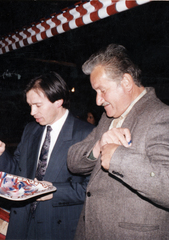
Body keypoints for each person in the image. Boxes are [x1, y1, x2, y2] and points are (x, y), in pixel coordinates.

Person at [67, 44, 169, 239]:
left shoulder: (162, 116)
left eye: (102, 90)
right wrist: (97, 147)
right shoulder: (108, 118)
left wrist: (117, 158)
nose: (98, 101)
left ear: (126, 82)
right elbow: (73, 162)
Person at [0, 72, 94, 240]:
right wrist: (1, 155)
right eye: (30, 105)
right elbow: (18, 172)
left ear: (58, 102)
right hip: (22, 222)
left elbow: (91, 189)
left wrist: (54, 191)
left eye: (37, 105)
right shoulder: (31, 129)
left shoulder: (86, 134)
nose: (32, 112)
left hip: (58, 226)